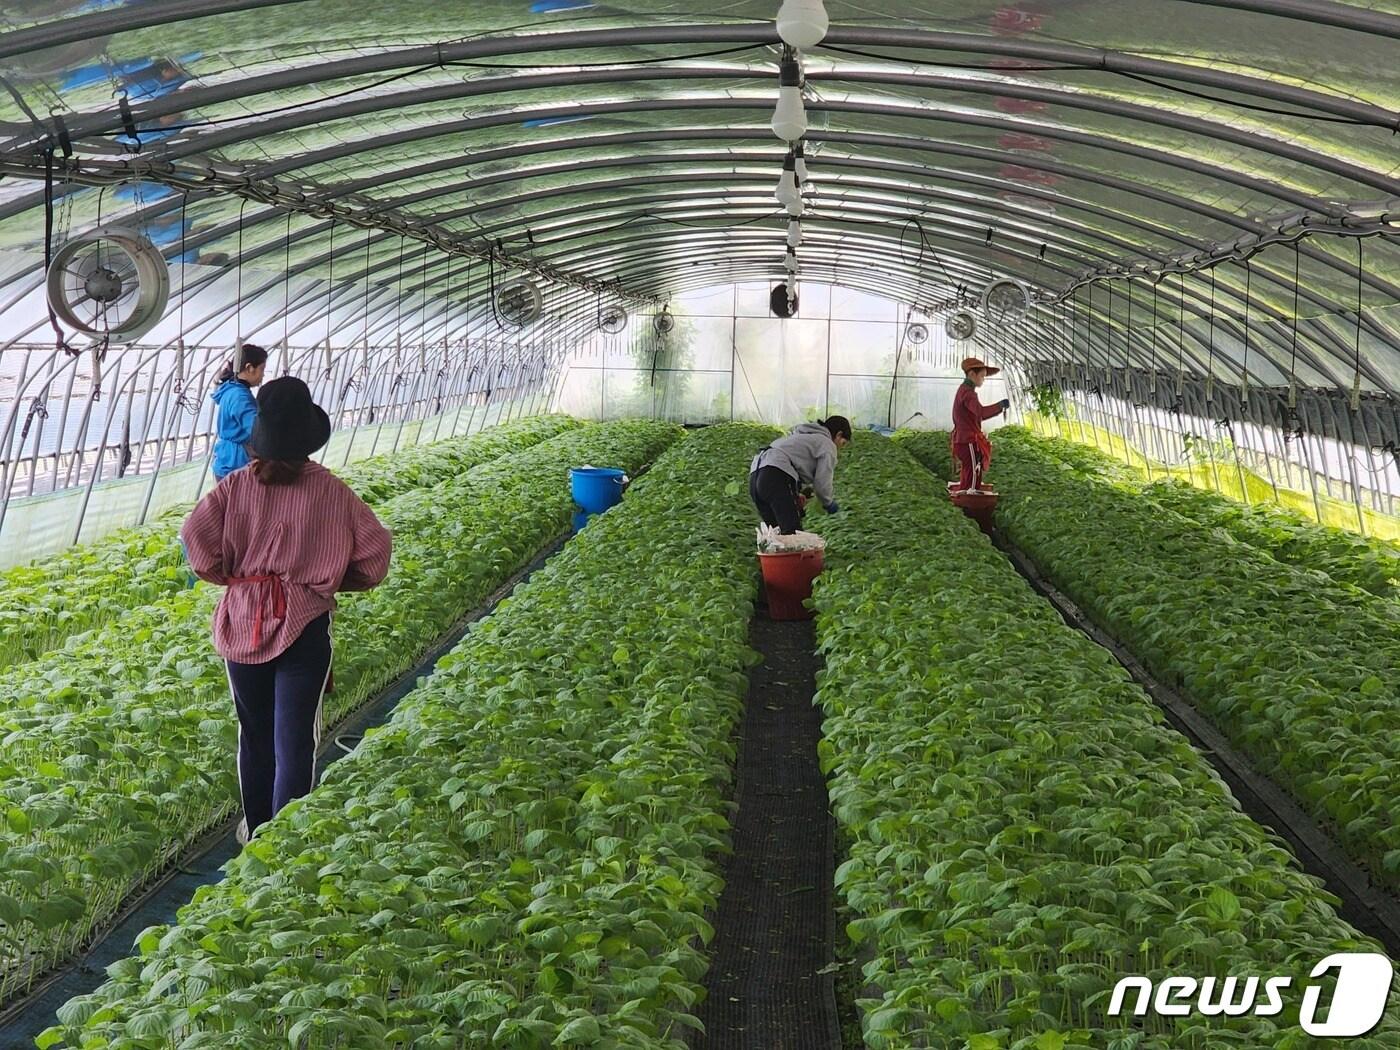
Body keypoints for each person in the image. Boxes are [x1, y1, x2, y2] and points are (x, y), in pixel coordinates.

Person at [182, 376, 392, 843]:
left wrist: (234, 581)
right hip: (305, 626)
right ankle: (285, 844)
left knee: (254, 736)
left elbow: (196, 545)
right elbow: (375, 557)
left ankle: (257, 831)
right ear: (307, 436)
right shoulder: (332, 492)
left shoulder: (233, 488)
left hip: (243, 622)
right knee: (295, 740)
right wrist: (330, 581)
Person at [750, 416, 852, 534]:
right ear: (839, 434)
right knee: (792, 533)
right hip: (775, 473)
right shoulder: (827, 444)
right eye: (842, 443)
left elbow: (794, 462)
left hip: (756, 474)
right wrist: (828, 503)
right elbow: (822, 482)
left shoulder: (801, 436)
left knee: (775, 533)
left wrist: (798, 492)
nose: (840, 448)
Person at [951, 356, 1010, 493]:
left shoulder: (964, 390)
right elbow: (981, 413)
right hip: (968, 440)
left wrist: (998, 408)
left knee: (971, 468)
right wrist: (999, 406)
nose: (983, 379)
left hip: (963, 439)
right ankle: (969, 496)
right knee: (972, 469)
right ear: (972, 374)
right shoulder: (968, 393)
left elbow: (975, 416)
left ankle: (966, 493)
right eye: (982, 376)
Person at [210, 344, 268, 481]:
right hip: (236, 464)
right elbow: (256, 430)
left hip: (226, 460)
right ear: (249, 368)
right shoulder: (240, 397)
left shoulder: (231, 390)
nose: (263, 374)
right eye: (262, 369)